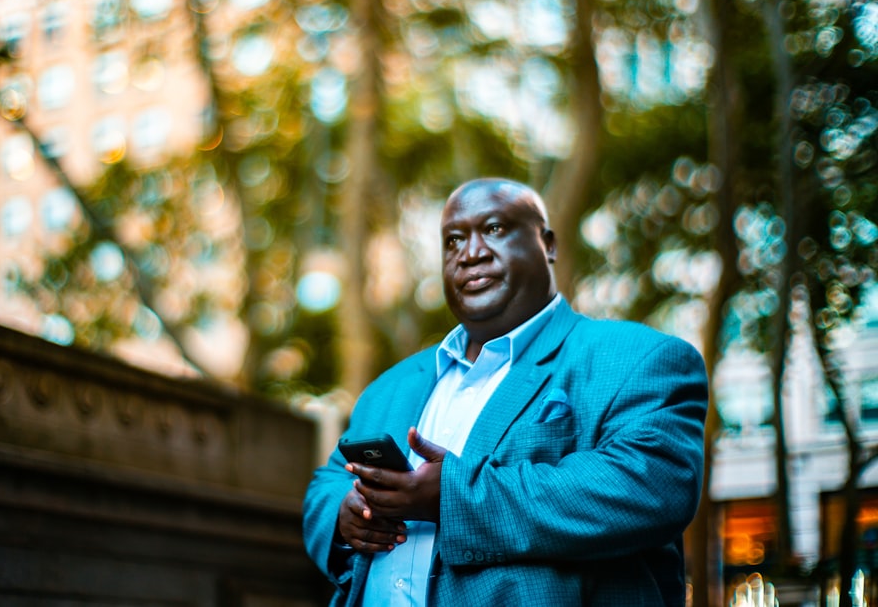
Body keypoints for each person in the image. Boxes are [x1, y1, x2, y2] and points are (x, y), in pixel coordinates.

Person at [302, 178, 708, 606]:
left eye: (494, 229)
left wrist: (454, 496)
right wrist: (346, 517)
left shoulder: (639, 359)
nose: (471, 253)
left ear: (547, 244)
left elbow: (648, 485)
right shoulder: (390, 387)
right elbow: (326, 483)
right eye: (453, 240)